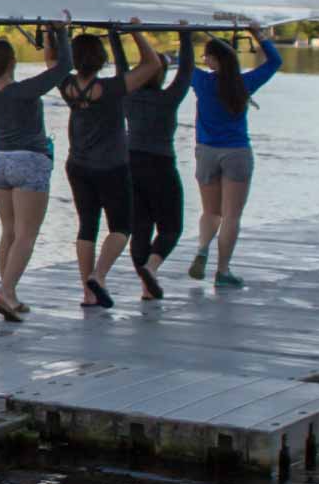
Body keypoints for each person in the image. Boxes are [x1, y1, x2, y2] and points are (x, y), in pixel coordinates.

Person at [0, 19, 74, 321]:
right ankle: (6, 292)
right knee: (27, 234)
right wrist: (60, 31)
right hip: (29, 161)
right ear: (12, 62)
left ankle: (9, 294)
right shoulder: (26, 90)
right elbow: (64, 66)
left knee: (9, 231)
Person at [58, 30, 159, 308]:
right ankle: (99, 276)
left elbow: (52, 59)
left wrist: (58, 32)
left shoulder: (66, 85)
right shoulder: (112, 88)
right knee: (121, 226)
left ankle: (87, 293)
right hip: (112, 166)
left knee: (87, 226)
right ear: (100, 58)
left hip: (77, 165)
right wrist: (137, 32)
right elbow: (152, 66)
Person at [188, 30, 284, 289]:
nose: (203, 60)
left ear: (211, 60)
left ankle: (202, 248)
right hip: (237, 153)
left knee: (211, 211)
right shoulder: (245, 83)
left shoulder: (201, 82)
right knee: (231, 216)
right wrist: (258, 34)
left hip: (206, 151)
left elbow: (185, 63)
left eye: (205, 56)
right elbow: (275, 62)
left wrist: (186, 33)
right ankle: (222, 271)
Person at [121, 29, 191, 300]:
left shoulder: (127, 94)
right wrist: (185, 33)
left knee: (140, 228)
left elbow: (121, 64)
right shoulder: (168, 99)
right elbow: (186, 70)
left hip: (131, 164)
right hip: (160, 164)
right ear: (162, 75)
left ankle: (146, 286)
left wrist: (122, 34)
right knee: (171, 227)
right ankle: (151, 267)